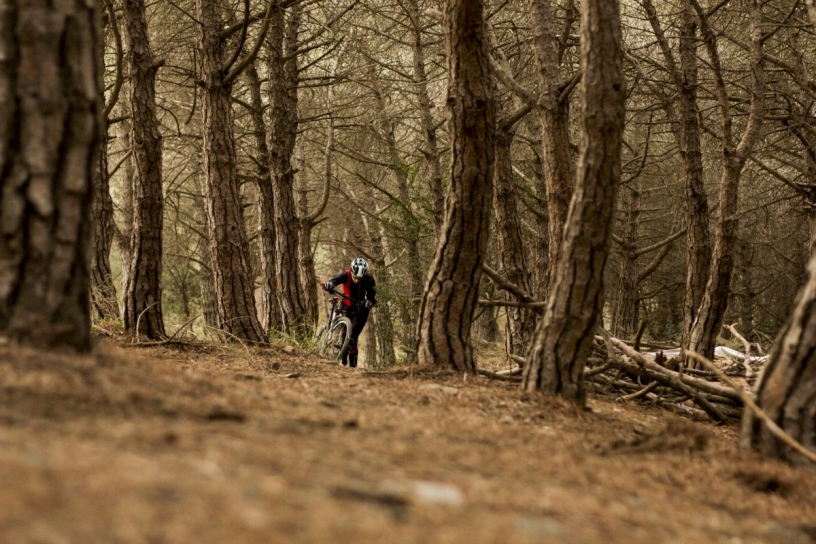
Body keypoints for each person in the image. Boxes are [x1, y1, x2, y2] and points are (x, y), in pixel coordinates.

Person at [321, 257, 377, 368]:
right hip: (347, 306)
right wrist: (329, 285)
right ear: (351, 271)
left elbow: (372, 295)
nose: (357, 280)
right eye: (355, 277)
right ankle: (343, 361)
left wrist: (370, 302)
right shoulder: (345, 274)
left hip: (361, 310)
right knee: (343, 334)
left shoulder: (369, 279)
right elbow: (334, 281)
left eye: (359, 278)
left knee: (352, 337)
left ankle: (352, 365)